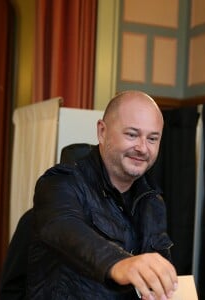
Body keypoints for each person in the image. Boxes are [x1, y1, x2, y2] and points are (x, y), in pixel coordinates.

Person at [27, 90, 178, 300]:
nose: (143, 148)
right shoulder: (60, 182)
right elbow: (64, 227)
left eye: (152, 138)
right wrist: (120, 263)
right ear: (102, 131)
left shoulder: (153, 202)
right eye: (132, 134)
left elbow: (159, 285)